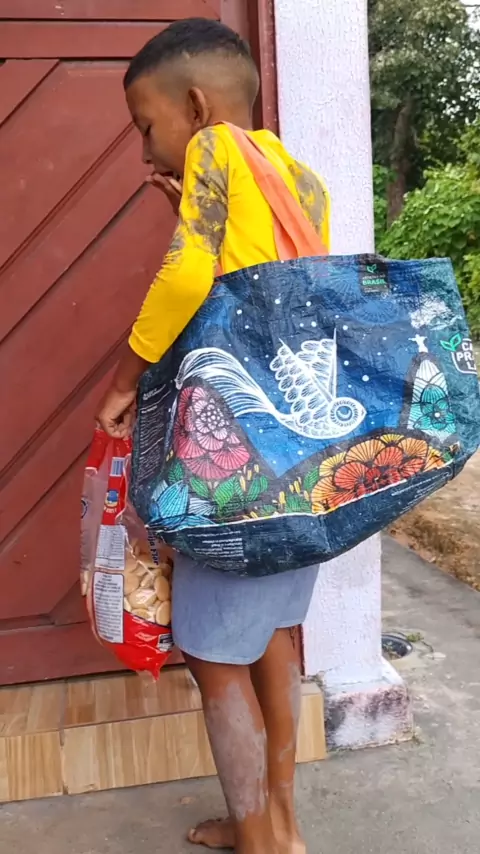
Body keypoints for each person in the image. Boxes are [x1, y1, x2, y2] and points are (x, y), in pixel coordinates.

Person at [97, 18, 330, 854]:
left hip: (230, 463)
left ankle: (262, 844)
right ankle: (278, 825)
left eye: (146, 126)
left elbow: (191, 274)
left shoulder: (212, 149)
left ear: (195, 106)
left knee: (212, 652)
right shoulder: (297, 176)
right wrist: (194, 218)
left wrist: (123, 379)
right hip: (301, 458)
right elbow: (276, 289)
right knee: (268, 638)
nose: (146, 149)